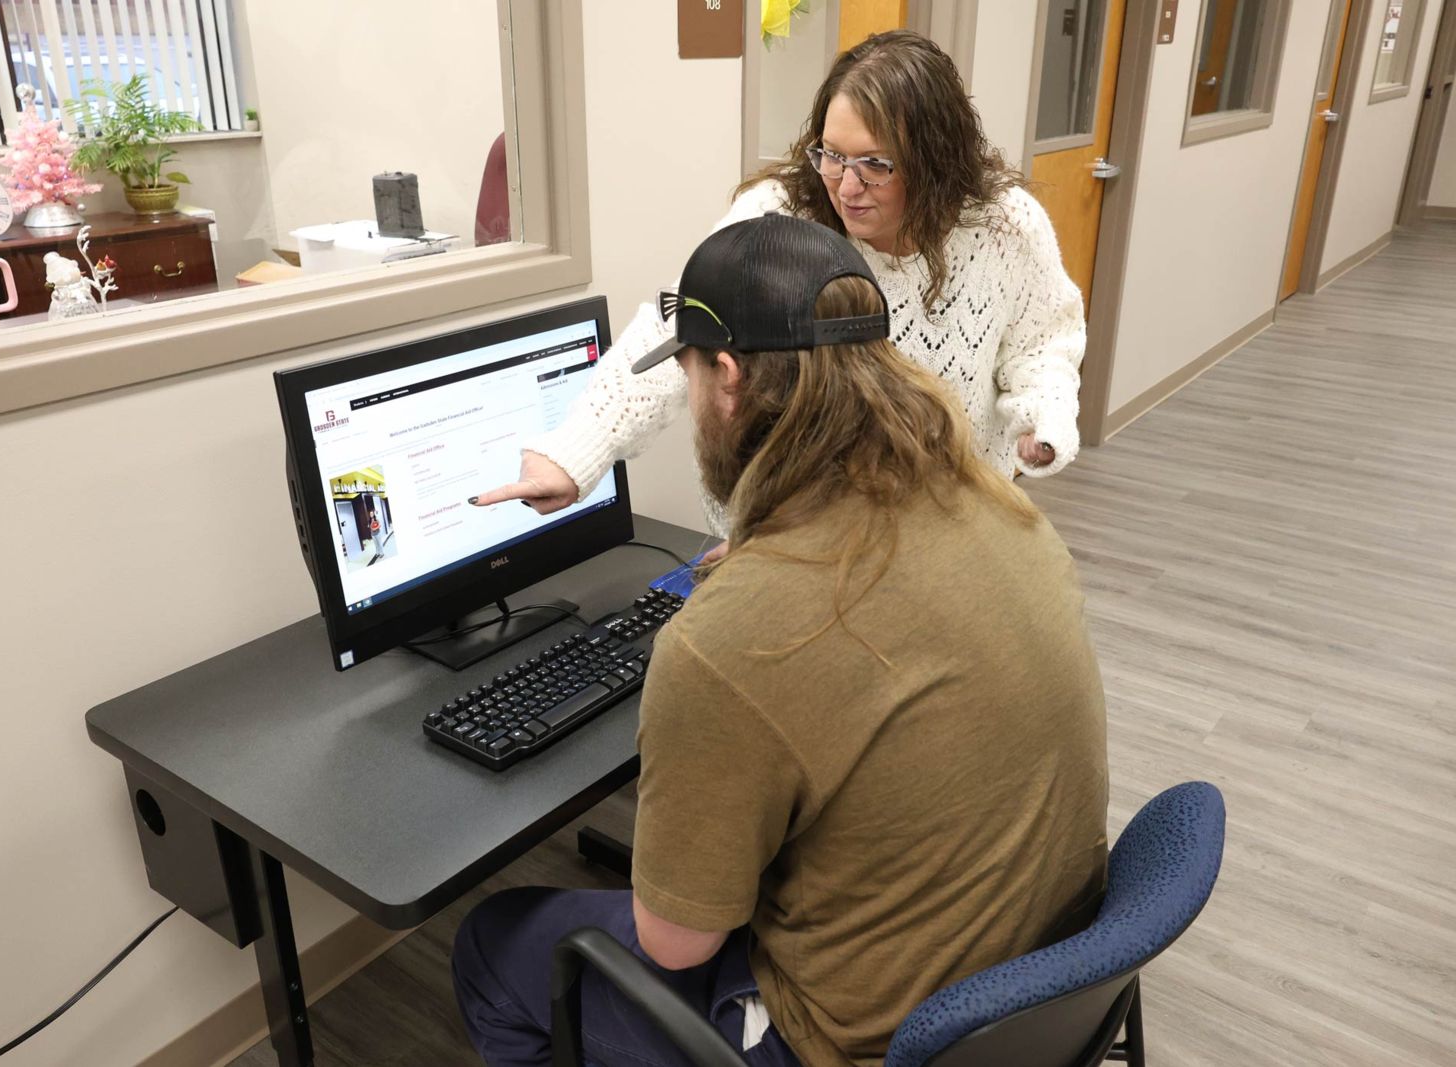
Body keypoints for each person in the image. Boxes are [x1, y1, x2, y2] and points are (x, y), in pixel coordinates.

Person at [450, 215, 1110, 1067]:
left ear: (726, 378)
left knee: (493, 942)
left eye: (685, 374)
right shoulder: (997, 504)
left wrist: (739, 624)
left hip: (853, 1041)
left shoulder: (725, 643)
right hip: (1030, 988)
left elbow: (677, 946)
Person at [474, 30, 1086, 543]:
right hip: (800, 532)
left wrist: (1042, 420)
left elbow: (1044, 342)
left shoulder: (1005, 225)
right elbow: (679, 330)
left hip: (949, 525)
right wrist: (574, 451)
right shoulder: (778, 215)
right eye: (832, 155)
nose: (846, 187)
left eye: (876, 164)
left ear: (936, 159)